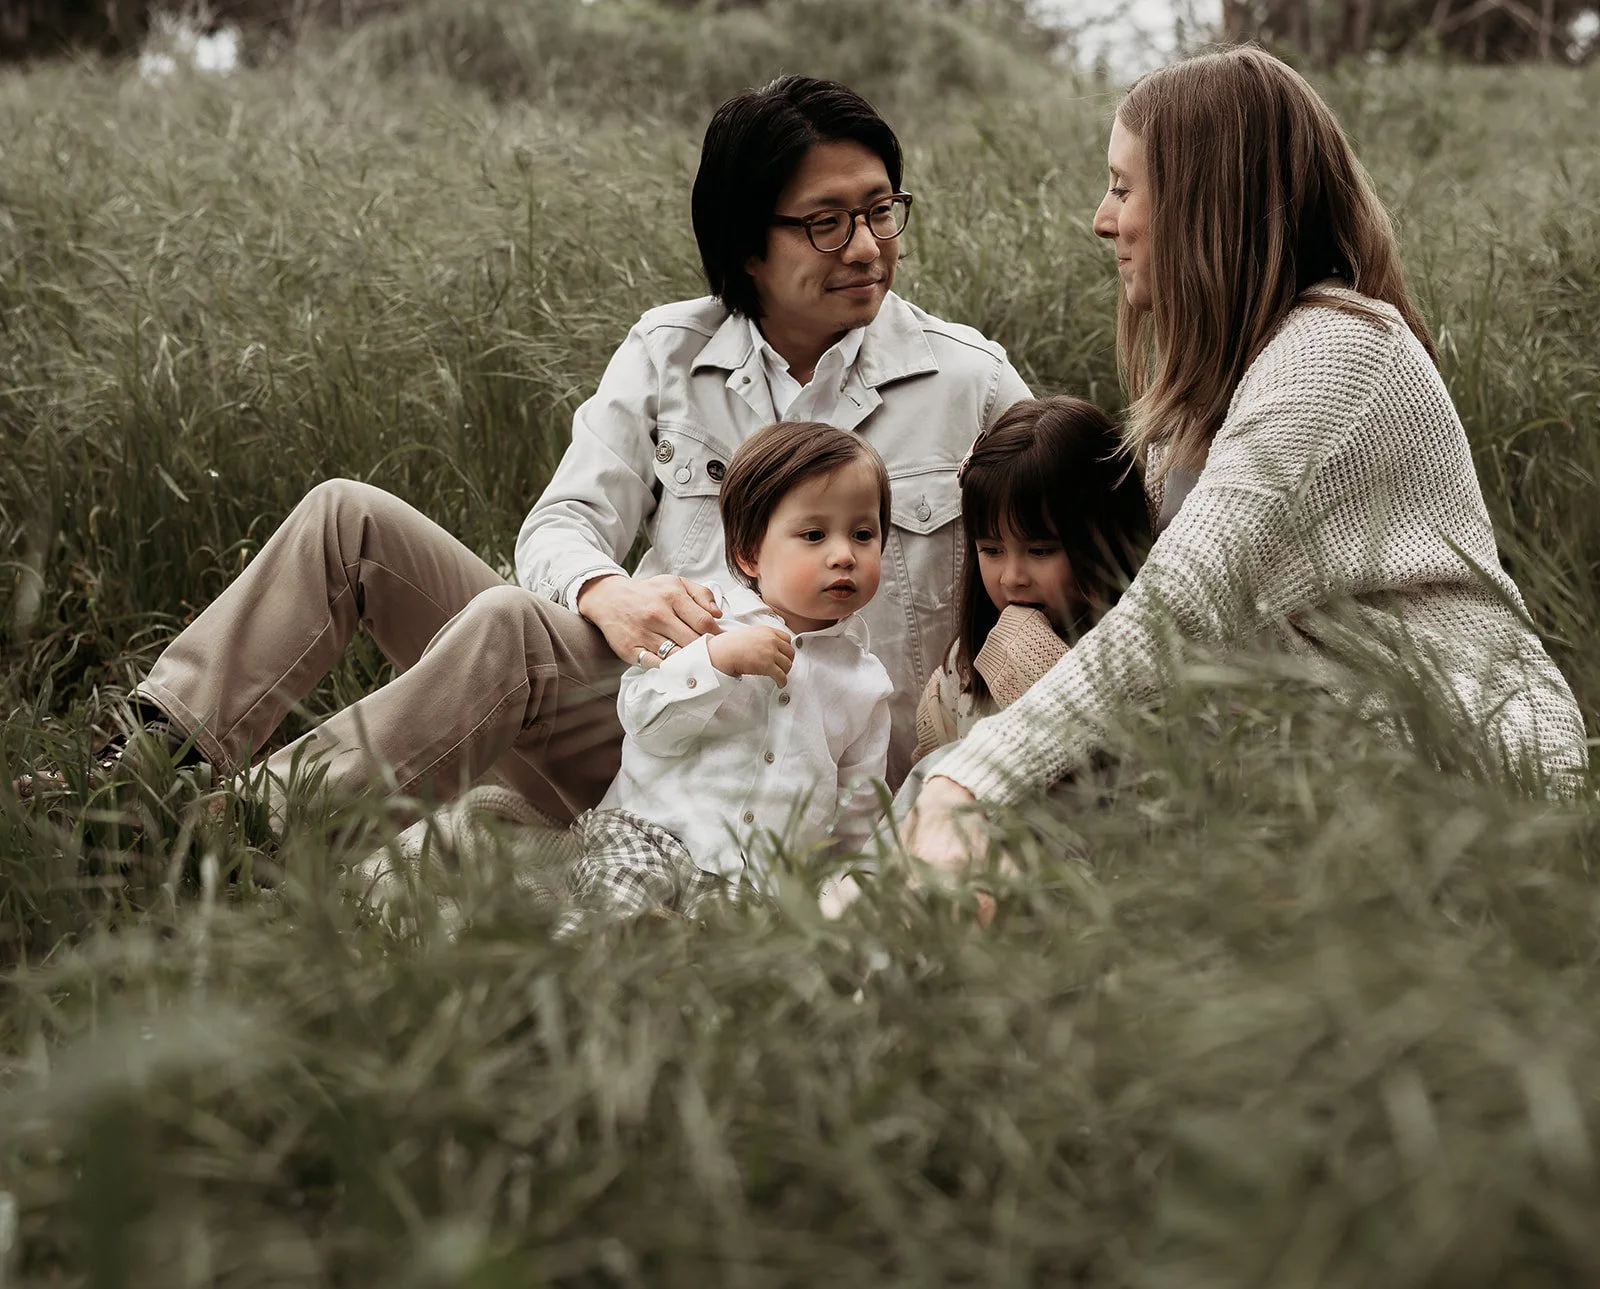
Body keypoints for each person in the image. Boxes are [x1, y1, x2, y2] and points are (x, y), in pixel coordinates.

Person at [15, 75, 1029, 827]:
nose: (865, 245)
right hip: (648, 722)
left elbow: (1060, 574)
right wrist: (608, 593)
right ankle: (140, 770)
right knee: (346, 517)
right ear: (745, 239)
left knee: (504, 621)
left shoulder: (967, 381)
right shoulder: (671, 349)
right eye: (826, 220)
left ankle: (225, 836)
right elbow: (562, 523)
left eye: (881, 210)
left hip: (805, 776)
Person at [902, 46, 1588, 878]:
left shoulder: (1338, 353)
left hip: (1463, 779)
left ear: (1203, 202)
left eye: (1123, 186)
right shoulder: (1204, 396)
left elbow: (1180, 602)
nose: (1101, 217)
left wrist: (972, 779)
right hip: (1312, 784)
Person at [913, 395, 1149, 760]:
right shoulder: (963, 663)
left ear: (1104, 540)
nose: (1012, 578)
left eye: (1040, 551)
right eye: (991, 550)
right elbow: (929, 773)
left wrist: (1033, 663)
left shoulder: (1138, 654)